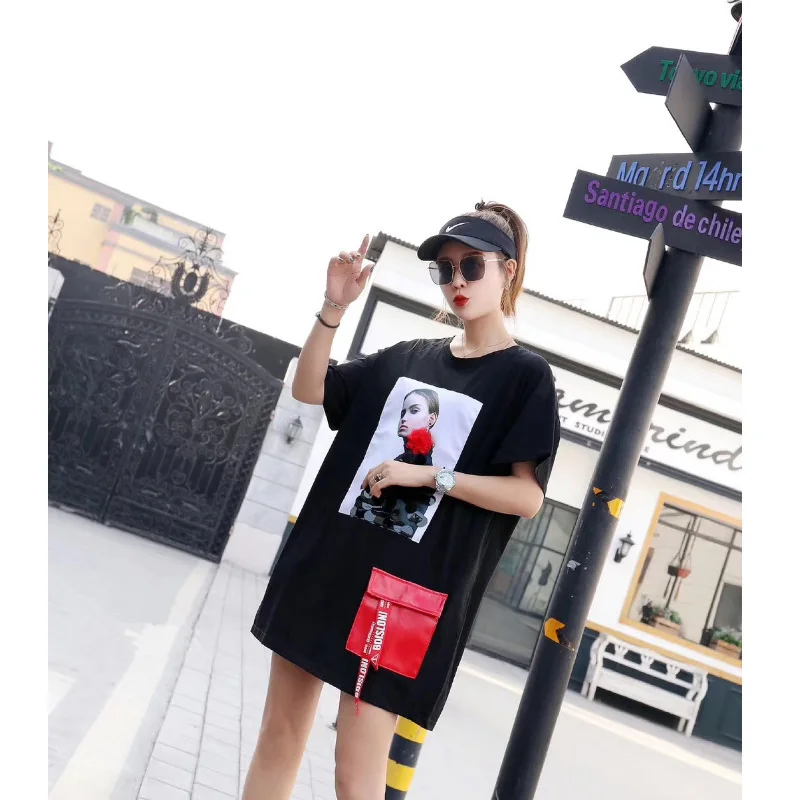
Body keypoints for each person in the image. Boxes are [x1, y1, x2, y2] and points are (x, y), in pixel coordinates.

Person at [243, 202, 561, 800]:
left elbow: (526, 497)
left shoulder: (525, 377)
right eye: (445, 269)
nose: (457, 280)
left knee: (356, 777)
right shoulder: (408, 356)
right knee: (278, 738)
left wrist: (431, 476)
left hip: (402, 598)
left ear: (508, 271)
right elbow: (309, 388)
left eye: (472, 265)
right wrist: (334, 308)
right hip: (328, 564)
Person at [350, 388, 439, 538]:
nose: (404, 418)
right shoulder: (403, 459)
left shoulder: (419, 465)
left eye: (414, 411)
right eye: (402, 413)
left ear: (431, 419)